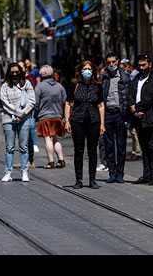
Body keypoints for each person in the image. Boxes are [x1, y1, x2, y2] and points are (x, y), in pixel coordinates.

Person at [64, 60, 105, 189]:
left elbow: (101, 105)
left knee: (93, 151)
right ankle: (79, 179)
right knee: (79, 150)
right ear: (80, 71)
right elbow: (67, 103)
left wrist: (102, 123)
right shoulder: (75, 84)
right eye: (84, 69)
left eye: (89, 68)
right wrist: (67, 121)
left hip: (94, 120)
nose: (87, 71)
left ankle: (92, 179)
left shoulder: (97, 85)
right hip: (78, 120)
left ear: (93, 71)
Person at [128, 55, 153, 185]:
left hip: (151, 118)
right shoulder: (136, 79)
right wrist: (133, 109)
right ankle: (146, 174)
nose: (141, 68)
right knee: (144, 147)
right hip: (138, 119)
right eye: (139, 65)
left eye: (144, 65)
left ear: (149, 65)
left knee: (152, 146)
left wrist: (139, 107)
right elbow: (130, 94)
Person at [0, 63, 35, 182]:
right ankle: (8, 172)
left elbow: (32, 101)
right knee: (10, 147)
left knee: (24, 147)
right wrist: (17, 113)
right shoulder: (4, 86)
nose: (14, 74)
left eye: (16, 72)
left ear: (21, 72)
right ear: (8, 73)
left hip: (24, 118)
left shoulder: (27, 84)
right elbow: (4, 103)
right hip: (8, 118)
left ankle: (24, 172)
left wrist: (23, 113)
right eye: (12, 72)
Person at [101, 52, 130, 183]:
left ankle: (120, 173)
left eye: (113, 62)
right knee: (109, 145)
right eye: (109, 63)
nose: (111, 65)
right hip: (107, 113)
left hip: (120, 113)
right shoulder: (104, 77)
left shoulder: (125, 77)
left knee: (121, 145)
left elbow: (129, 97)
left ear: (117, 61)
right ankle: (112, 172)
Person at [34, 65, 67, 169]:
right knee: (55, 139)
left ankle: (50, 162)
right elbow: (64, 101)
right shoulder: (59, 86)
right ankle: (61, 160)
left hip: (45, 116)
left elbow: (36, 103)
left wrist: (36, 114)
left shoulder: (39, 87)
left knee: (48, 139)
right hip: (57, 116)